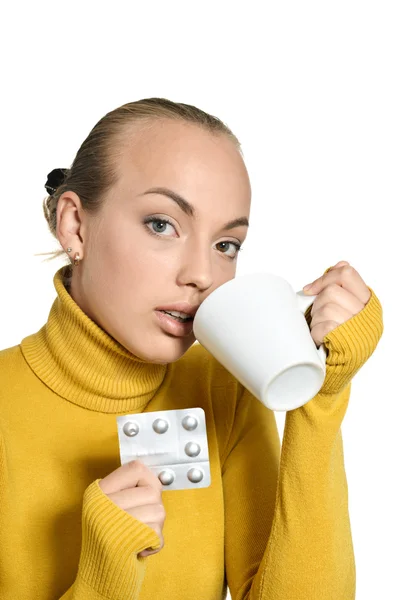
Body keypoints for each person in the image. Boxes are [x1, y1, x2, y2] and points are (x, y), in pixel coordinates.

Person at [0, 97, 383, 600]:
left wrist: (320, 393)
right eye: (162, 224)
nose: (202, 275)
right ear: (75, 225)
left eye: (227, 245)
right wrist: (101, 584)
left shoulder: (225, 383)